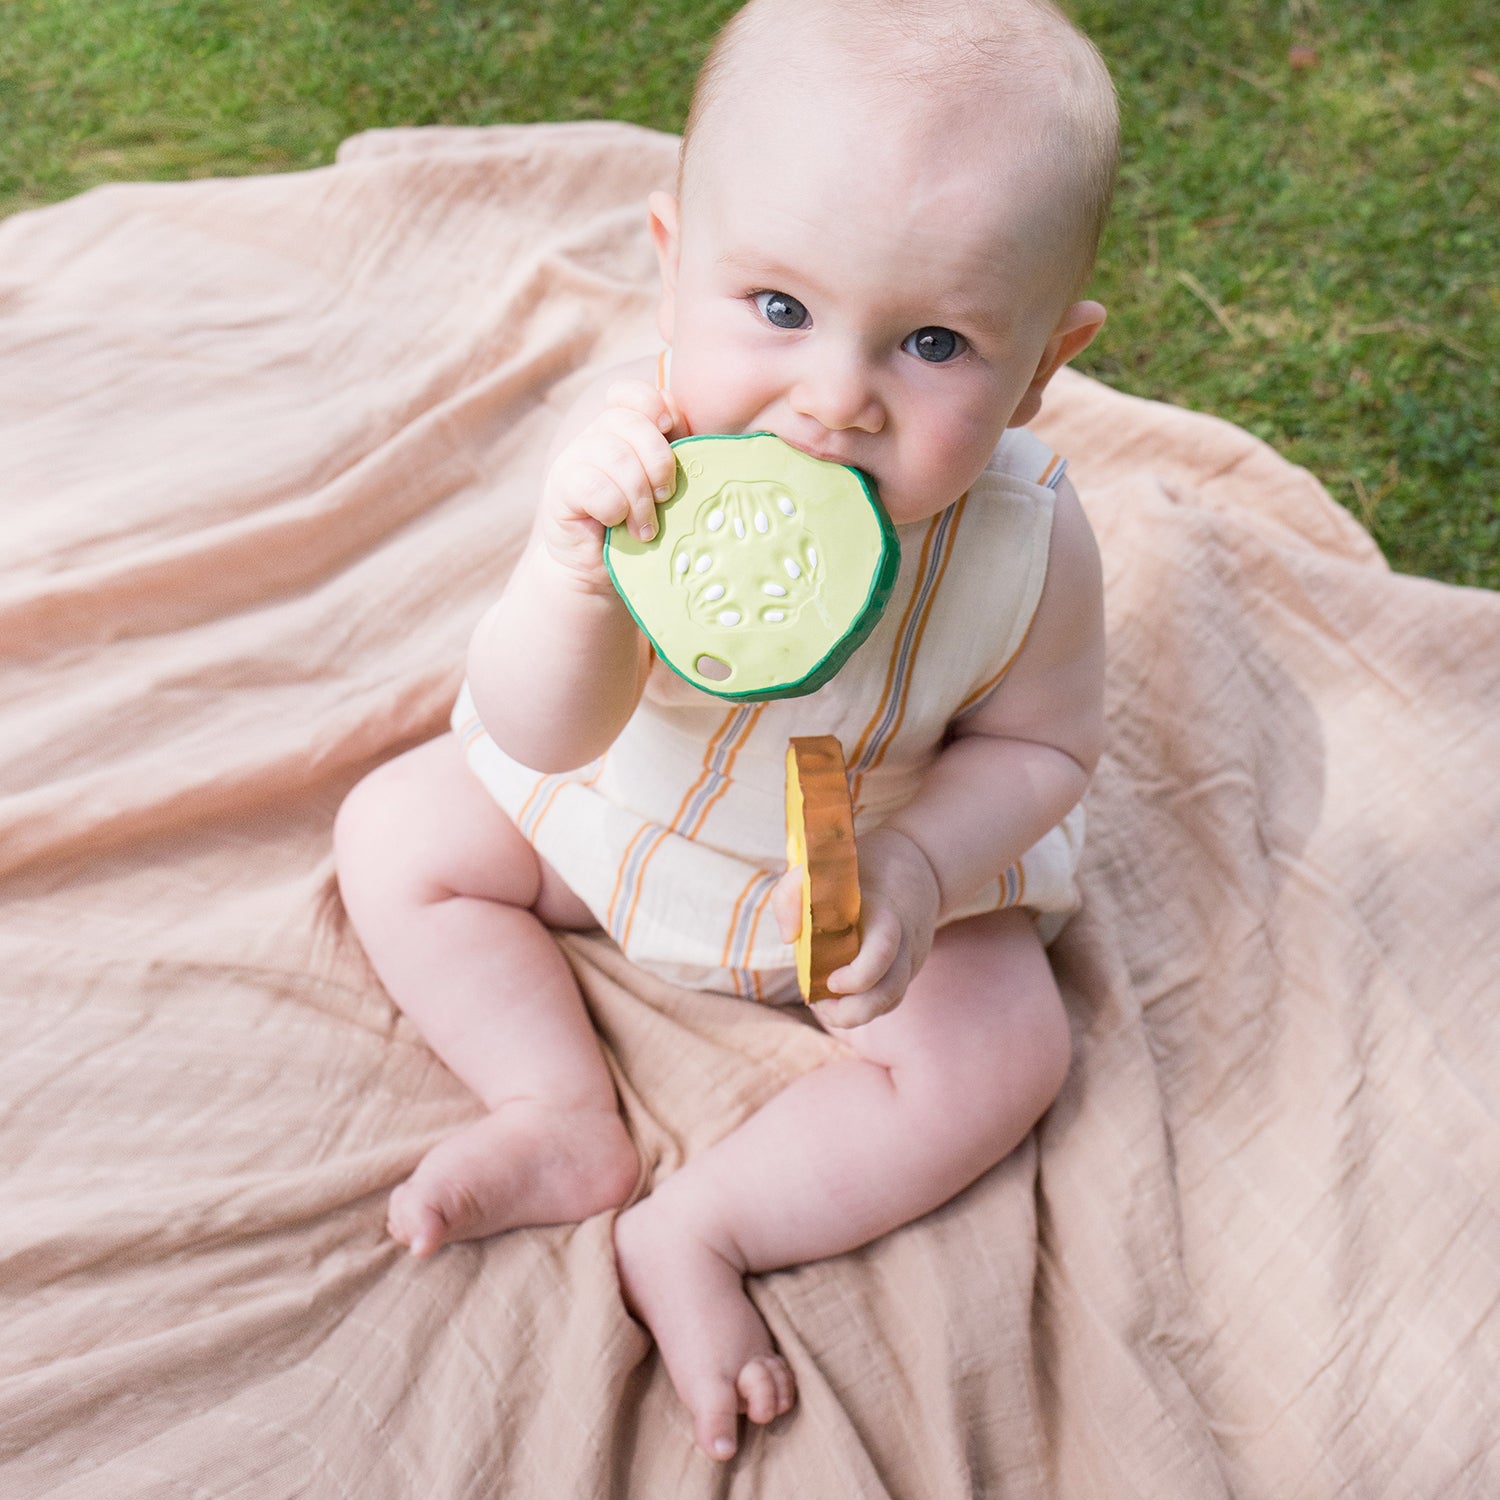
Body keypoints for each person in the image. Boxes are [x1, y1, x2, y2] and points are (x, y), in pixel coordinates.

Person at [335, 0, 1118, 1463]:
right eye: (778, 311)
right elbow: (542, 733)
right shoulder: (638, 476)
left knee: (1007, 1055)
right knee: (397, 832)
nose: (835, 403)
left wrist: (928, 870)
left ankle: (703, 1228)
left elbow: (1043, 753)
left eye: (936, 342)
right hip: (620, 827)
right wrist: (575, 578)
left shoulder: (1030, 542)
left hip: (866, 897)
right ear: (673, 265)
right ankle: (560, 1111)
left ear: (1044, 366)